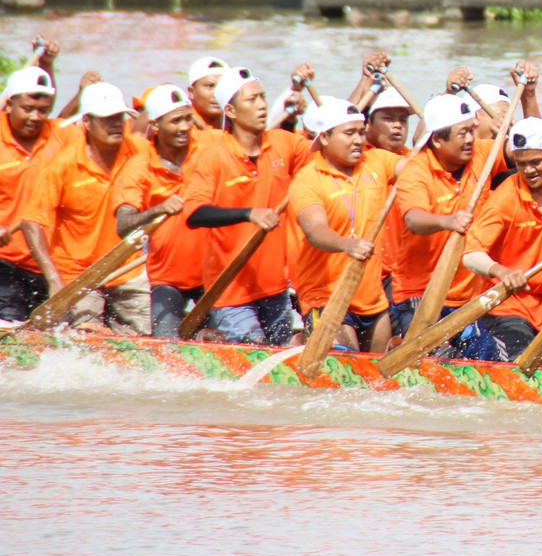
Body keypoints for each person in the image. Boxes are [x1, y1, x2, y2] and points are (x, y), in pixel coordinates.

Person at [182, 67, 313, 344]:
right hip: (230, 290)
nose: (263, 105)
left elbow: (327, 152)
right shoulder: (212, 157)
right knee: (254, 352)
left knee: (277, 359)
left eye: (263, 97)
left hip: (275, 286)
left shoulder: (284, 144)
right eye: (252, 100)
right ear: (230, 111)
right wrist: (248, 214)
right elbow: (194, 213)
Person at [22, 83, 147, 333]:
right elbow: (31, 222)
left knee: (145, 343)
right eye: (106, 118)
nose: (115, 124)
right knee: (89, 337)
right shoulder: (62, 165)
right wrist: (54, 279)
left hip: (129, 269)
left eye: (119, 117)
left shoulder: (141, 151)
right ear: (87, 122)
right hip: (79, 274)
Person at [392, 93, 502, 359]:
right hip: (421, 292)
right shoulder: (416, 171)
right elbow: (413, 219)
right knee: (435, 360)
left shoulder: (484, 155)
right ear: (438, 140)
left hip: (466, 294)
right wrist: (447, 221)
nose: (470, 140)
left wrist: (511, 125)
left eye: (471, 131)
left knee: (485, 357)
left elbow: (523, 152)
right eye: (462, 134)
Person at [288, 98, 401, 353]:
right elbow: (316, 231)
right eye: (349, 133)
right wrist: (346, 244)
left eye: (361, 133)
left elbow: (416, 170)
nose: (359, 140)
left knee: (380, 380)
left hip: (371, 298)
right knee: (344, 362)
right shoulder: (307, 180)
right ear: (325, 138)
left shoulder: (378, 161)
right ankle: (304, 342)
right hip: (325, 296)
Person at [462, 117, 542, 363]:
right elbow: (471, 254)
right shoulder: (506, 197)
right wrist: (501, 271)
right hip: (508, 303)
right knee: (521, 364)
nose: (528, 171)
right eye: (521, 164)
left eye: (535, 162)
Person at [113, 85, 201, 338]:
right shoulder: (138, 168)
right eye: (176, 121)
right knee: (166, 347)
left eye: (188, 119)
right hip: (168, 277)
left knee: (222, 338)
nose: (185, 127)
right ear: (156, 124)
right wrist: (159, 209)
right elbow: (124, 226)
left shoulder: (208, 150)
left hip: (213, 274)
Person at [0, 60, 70, 320]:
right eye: (28, 109)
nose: (35, 117)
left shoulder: (63, 134)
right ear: (10, 103)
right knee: (10, 322)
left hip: (52, 262)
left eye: (43, 110)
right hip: (5, 259)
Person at [186, 56, 228, 129]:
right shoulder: (183, 130)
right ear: (191, 92)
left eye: (222, 86)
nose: (217, 94)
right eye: (210, 86)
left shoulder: (238, 125)